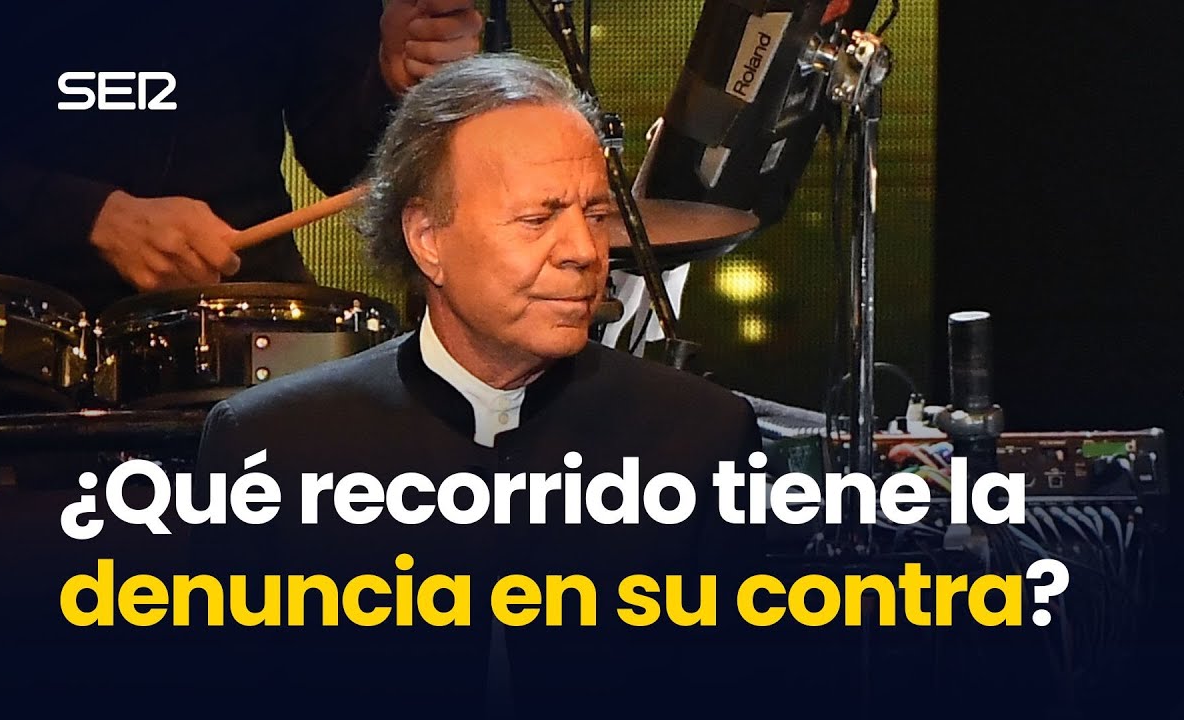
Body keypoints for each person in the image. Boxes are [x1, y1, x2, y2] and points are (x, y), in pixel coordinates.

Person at [191, 54, 767, 715]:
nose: (584, 251)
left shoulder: (703, 439)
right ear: (427, 239)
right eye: (538, 219)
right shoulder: (269, 449)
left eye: (595, 214)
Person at [0, 0, 482, 314]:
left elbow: (347, 165)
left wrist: (396, 84)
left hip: (243, 299)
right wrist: (91, 216)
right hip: (21, 304)